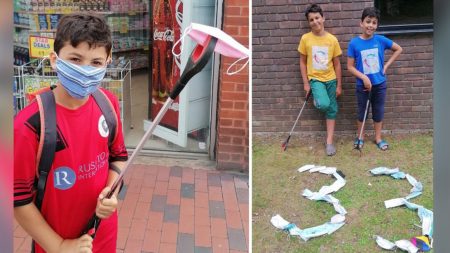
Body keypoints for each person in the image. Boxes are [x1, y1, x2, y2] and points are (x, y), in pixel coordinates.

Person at [14, 13, 128, 253]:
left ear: (108, 61)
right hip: (56, 242)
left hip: (104, 234)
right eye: (75, 59)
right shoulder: (29, 125)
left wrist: (111, 191)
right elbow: (18, 199)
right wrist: (59, 246)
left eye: (96, 62)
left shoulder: (107, 103)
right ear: (55, 60)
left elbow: (118, 156)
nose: (85, 71)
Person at [347, 7, 402, 151]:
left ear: (377, 25)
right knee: (361, 112)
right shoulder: (354, 43)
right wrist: (363, 77)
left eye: (374, 22)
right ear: (361, 23)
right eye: (368, 22)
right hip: (362, 85)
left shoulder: (381, 40)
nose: (370, 25)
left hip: (380, 84)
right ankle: (360, 137)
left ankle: (378, 138)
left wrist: (386, 66)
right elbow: (350, 67)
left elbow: (399, 49)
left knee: (378, 111)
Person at [298, 3, 342, 156]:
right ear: (308, 23)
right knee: (323, 104)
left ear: (323, 18)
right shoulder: (305, 39)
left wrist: (339, 85)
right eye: (311, 20)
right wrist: (305, 83)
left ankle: (329, 142)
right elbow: (302, 62)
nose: (315, 22)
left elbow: (337, 64)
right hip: (315, 79)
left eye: (317, 18)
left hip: (331, 79)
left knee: (332, 109)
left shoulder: (332, 40)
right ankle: (317, 99)